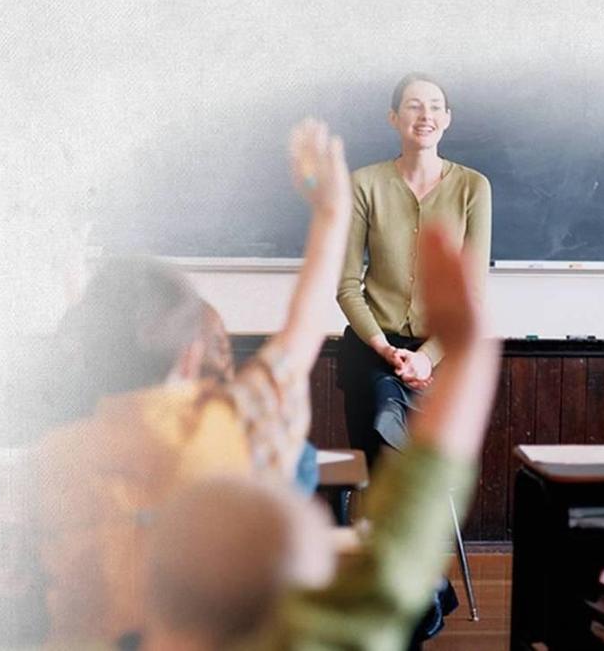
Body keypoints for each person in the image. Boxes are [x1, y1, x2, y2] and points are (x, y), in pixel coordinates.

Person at [0, 120, 352, 645]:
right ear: (190, 356)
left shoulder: (48, 461)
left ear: (86, 352)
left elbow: (4, 575)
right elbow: (302, 332)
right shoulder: (237, 429)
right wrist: (330, 212)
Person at [143, 224, 502, 651]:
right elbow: (396, 558)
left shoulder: (63, 465)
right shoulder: (253, 440)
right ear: (192, 360)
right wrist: (463, 354)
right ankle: (428, 599)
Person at [336, 73, 492, 468]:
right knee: (374, 471)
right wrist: (384, 348)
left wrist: (425, 358)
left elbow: (471, 295)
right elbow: (347, 285)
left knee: (424, 481)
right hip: (371, 350)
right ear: (393, 118)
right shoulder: (364, 185)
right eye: (414, 105)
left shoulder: (473, 187)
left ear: (448, 118)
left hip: (440, 357)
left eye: (436, 107)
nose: (426, 115)